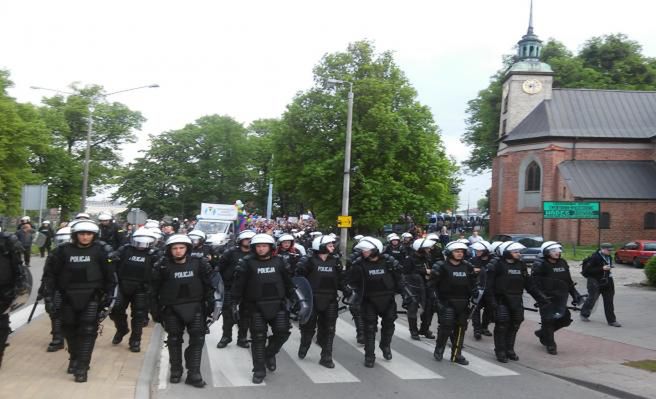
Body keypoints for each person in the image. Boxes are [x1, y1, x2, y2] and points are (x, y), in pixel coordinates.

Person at [41, 220, 117, 382]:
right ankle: (74, 358)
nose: (85, 237)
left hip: (92, 297)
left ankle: (82, 367)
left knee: (88, 331)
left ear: (94, 235)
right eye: (81, 234)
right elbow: (50, 276)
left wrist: (109, 298)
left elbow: (111, 277)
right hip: (67, 297)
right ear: (75, 235)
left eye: (88, 234)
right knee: (69, 329)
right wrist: (48, 297)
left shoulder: (102, 251)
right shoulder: (62, 251)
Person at [150, 234, 215, 388]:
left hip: (196, 307)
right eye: (175, 248)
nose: (178, 251)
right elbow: (153, 291)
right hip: (172, 308)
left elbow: (209, 287)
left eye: (181, 248)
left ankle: (194, 373)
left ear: (187, 249)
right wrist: (155, 311)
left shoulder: (199, 264)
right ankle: (176, 369)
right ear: (169, 250)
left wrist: (210, 305)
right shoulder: (162, 266)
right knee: (174, 340)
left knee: (198, 340)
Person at [231, 233, 296, 384]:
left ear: (271, 247)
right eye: (258, 246)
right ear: (254, 248)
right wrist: (234, 304)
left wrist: (294, 299)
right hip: (255, 307)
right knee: (258, 339)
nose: (261, 249)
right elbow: (238, 286)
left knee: (283, 333)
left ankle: (269, 353)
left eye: (264, 246)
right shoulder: (246, 263)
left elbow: (288, 283)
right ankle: (259, 370)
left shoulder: (280, 262)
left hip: (277, 304)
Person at [485, 241, 548, 362]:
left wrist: (541, 298)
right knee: (502, 326)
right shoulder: (496, 264)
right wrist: (492, 303)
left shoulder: (521, 265)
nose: (519, 254)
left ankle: (510, 349)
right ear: (506, 252)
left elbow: (529, 285)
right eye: (515, 252)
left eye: (519, 252)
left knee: (515, 325)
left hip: (516, 300)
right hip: (501, 300)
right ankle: (500, 351)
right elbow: (488, 286)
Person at [349, 236, 405, 368]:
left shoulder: (389, 262)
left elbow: (400, 279)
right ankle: (369, 355)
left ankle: (385, 345)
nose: (364, 252)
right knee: (369, 329)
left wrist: (405, 294)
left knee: (389, 325)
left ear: (376, 249)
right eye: (363, 250)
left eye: (367, 250)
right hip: (369, 301)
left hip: (388, 299)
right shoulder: (359, 264)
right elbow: (351, 282)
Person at [295, 235, 345, 368]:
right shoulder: (307, 261)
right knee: (308, 328)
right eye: (329, 245)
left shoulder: (336, 261)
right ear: (321, 246)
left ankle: (326, 356)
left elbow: (341, 280)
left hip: (330, 299)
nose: (333, 247)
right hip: (312, 300)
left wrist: (348, 291)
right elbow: (297, 282)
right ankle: (305, 344)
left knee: (330, 328)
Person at [109, 228, 159, 352]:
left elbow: (161, 269)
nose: (141, 244)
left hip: (142, 288)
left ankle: (135, 340)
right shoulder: (125, 249)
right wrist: (111, 258)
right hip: (122, 285)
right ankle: (122, 329)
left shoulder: (154, 253)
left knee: (139, 315)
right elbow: (111, 260)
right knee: (115, 309)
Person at [531, 241, 585, 355]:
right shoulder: (540, 264)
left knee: (565, 318)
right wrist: (541, 298)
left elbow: (568, 281)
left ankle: (542, 333)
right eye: (553, 251)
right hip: (546, 298)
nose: (557, 253)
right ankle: (550, 344)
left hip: (560, 297)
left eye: (558, 250)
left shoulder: (562, 262)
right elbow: (534, 284)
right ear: (546, 252)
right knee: (548, 320)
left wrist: (575, 295)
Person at [431, 241, 477, 365]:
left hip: (463, 303)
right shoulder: (440, 266)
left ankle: (457, 354)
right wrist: (437, 302)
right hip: (446, 302)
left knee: (461, 329)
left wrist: (475, 294)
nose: (459, 254)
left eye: (461, 252)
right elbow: (432, 286)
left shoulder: (468, 266)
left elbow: (473, 284)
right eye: (456, 251)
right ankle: (439, 348)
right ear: (449, 253)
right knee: (446, 327)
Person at [214, 230, 255, 349]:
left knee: (245, 315)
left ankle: (242, 338)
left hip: (248, 289)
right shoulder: (230, 252)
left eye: (250, 239)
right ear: (240, 240)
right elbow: (219, 268)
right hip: (230, 288)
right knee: (228, 314)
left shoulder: (255, 254)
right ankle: (226, 336)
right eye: (246, 239)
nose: (248, 241)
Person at [38, 226, 72, 352]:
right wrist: (44, 290)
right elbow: (48, 273)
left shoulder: (83, 253)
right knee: (54, 310)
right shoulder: (54, 254)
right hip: (59, 287)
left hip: (77, 289)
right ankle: (57, 338)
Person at [0, 229, 27, 368]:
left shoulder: (7, 240)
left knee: (2, 325)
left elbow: (18, 267)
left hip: (4, 290)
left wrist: (20, 287)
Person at [403, 238, 437, 340]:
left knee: (430, 309)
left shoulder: (428, 257)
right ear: (420, 248)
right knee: (412, 309)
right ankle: (413, 331)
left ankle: (424, 329)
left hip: (427, 286)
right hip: (413, 287)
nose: (429, 249)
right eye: (426, 248)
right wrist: (424, 271)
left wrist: (431, 273)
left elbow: (432, 269)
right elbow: (406, 272)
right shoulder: (410, 259)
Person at [580, 243, 621, 327]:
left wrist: (608, 269)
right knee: (592, 299)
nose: (610, 252)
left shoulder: (608, 256)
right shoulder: (594, 257)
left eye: (611, 250)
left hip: (607, 281)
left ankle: (612, 321)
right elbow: (586, 271)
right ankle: (584, 314)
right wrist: (602, 268)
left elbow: (606, 268)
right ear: (602, 249)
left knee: (609, 301)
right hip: (594, 282)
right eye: (608, 250)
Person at [470, 240, 494, 340]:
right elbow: (470, 272)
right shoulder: (473, 260)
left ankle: (484, 327)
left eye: (480, 250)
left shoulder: (493, 260)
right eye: (476, 250)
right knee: (475, 309)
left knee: (489, 309)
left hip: (490, 288)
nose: (477, 252)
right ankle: (477, 330)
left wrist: (481, 270)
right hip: (477, 288)